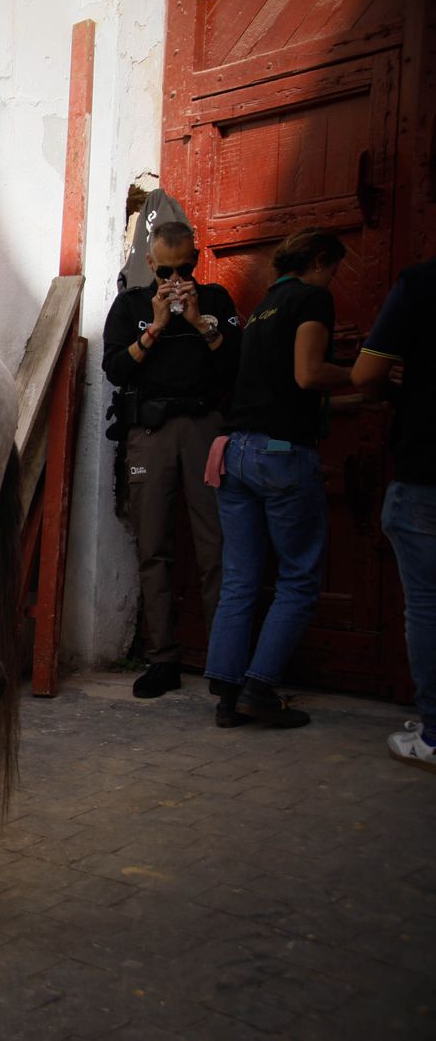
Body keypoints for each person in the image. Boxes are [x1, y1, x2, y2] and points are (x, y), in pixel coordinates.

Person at [204, 229, 350, 729]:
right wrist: (360, 375)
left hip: (237, 450)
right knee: (298, 577)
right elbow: (308, 375)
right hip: (282, 453)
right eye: (333, 270)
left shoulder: (263, 309)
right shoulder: (311, 299)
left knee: (240, 578)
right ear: (320, 260)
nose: (332, 280)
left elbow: (278, 392)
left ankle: (227, 695)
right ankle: (260, 688)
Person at [102, 221, 242, 699]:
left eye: (185, 269)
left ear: (196, 262)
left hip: (204, 426)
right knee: (153, 545)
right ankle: (162, 658)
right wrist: (157, 327)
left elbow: (236, 366)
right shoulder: (131, 306)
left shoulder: (216, 301)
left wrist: (202, 324)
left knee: (215, 546)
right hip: (151, 430)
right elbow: (115, 368)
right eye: (166, 272)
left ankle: (225, 661)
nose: (176, 280)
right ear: (150, 264)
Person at [350, 258, 436, 772]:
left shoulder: (422, 284)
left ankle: (435, 736)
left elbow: (366, 375)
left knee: (427, 604)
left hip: (426, 469)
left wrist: (399, 386)